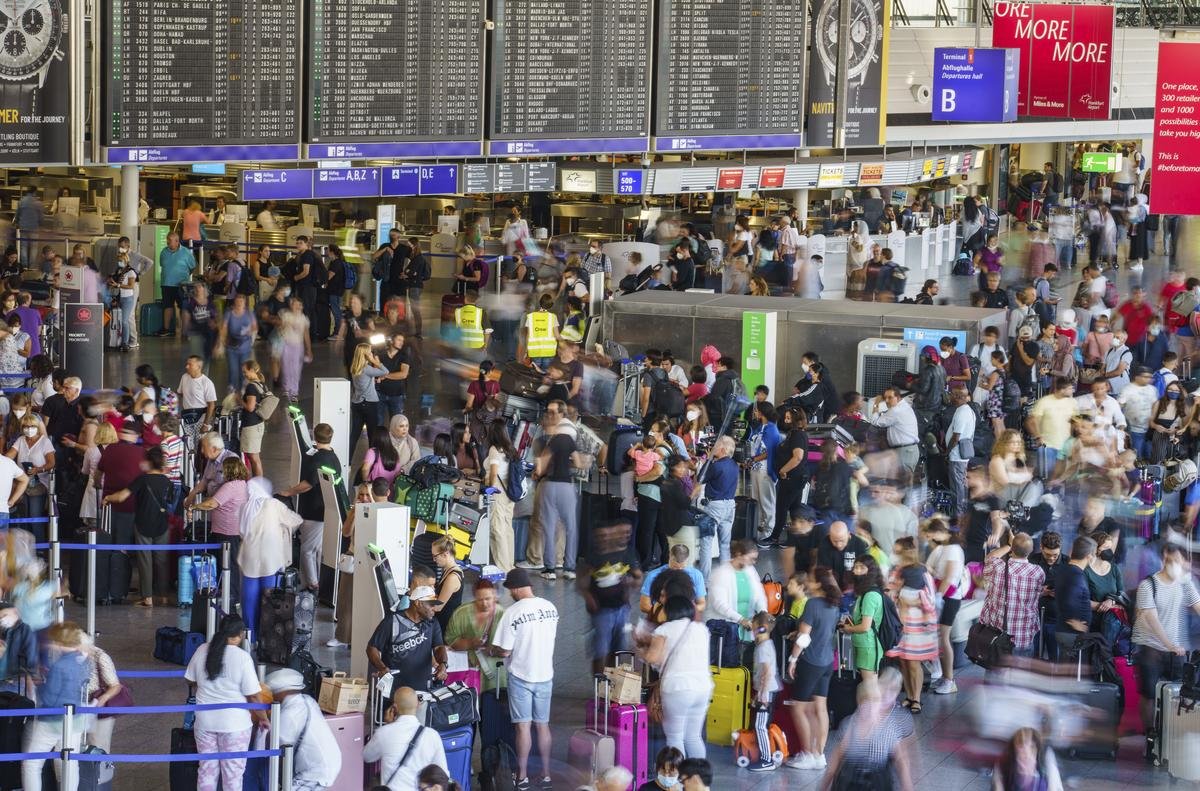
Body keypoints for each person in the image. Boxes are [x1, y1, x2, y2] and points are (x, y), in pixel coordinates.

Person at [491, 568, 560, 790]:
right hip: (545, 675)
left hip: (521, 676)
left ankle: (521, 776)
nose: (510, 593)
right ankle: (547, 774)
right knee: (543, 726)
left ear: (517, 588)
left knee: (523, 727)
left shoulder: (512, 613)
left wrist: (491, 649)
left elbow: (504, 651)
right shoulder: (551, 608)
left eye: (510, 589)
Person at [185, 615, 268, 791]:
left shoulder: (202, 650)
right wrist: (263, 718)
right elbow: (253, 696)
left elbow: (190, 680)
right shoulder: (243, 658)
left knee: (206, 771)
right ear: (240, 634)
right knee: (233, 777)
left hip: (204, 722)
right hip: (234, 726)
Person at [1132, 541, 1200, 732]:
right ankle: (1150, 735)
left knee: (1178, 693)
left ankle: (1170, 735)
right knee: (1149, 695)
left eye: (1181, 561)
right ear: (1164, 559)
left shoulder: (1184, 583)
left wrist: (1173, 647)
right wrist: (1169, 644)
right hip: (1150, 647)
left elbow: (1198, 605)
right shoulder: (1148, 585)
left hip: (1175, 650)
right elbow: (1151, 620)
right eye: (1175, 561)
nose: (1180, 565)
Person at [20, 622, 90, 791]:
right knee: (68, 763)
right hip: (76, 719)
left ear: (61, 643)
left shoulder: (60, 665)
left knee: (32, 763)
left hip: (52, 721)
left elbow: (50, 697)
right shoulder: (83, 661)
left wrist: (39, 685)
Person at [101, 446, 173, 607]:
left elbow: (121, 497)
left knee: (145, 561)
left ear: (148, 462)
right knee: (162, 562)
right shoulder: (168, 481)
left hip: (143, 524)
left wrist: (108, 498)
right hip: (163, 525)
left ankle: (147, 598)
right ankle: (163, 596)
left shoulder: (142, 479)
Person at [822, 668, 915, 791]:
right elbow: (836, 757)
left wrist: (907, 785)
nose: (871, 708)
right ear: (859, 703)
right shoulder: (849, 724)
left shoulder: (889, 728)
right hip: (849, 780)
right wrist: (825, 784)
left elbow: (901, 760)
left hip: (877, 780)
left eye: (875, 702)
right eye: (866, 703)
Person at [644, 595, 711, 759]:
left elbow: (653, 658)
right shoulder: (702, 629)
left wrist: (641, 648)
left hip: (677, 688)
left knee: (675, 737)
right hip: (703, 688)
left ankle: (677, 782)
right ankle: (699, 780)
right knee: (693, 737)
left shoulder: (664, 630)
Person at [278, 423, 340, 593]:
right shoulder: (333, 457)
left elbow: (307, 484)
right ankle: (313, 580)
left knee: (307, 549)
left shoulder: (318, 459)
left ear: (315, 436)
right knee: (317, 549)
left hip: (314, 510)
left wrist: (288, 492)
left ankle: (313, 583)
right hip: (325, 509)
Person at [238, 476, 301, 642]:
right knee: (270, 599)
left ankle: (249, 636)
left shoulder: (245, 506)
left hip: (249, 557)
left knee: (249, 598)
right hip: (270, 558)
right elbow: (296, 520)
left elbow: (241, 531)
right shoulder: (274, 505)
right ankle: (266, 636)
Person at [579, 519, 641, 674]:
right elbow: (581, 580)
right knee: (601, 649)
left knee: (618, 649)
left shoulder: (627, 553)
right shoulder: (593, 556)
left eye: (628, 532)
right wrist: (588, 596)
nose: (604, 539)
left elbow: (638, 577)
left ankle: (611, 684)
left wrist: (630, 582)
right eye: (600, 536)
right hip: (602, 611)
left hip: (622, 608)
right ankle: (599, 685)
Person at [262, 669, 341, 789]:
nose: (271, 697)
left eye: (272, 693)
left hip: (313, 774)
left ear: (282, 692)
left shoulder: (290, 714)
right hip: (328, 764)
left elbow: (273, 745)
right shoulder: (307, 700)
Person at [886, 540, 938, 715]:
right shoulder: (896, 571)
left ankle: (916, 698)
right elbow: (889, 590)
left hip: (917, 624)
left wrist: (911, 600)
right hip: (900, 622)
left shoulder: (922, 572)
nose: (895, 554)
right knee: (904, 661)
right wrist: (897, 595)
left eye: (898, 551)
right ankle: (909, 695)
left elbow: (931, 598)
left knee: (914, 662)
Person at [362, 685, 448, 791]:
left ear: (394, 707)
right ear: (418, 704)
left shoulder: (383, 733)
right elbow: (443, 773)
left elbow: (367, 756)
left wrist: (388, 726)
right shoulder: (432, 735)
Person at [366, 585, 448, 692]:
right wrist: (382, 667)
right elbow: (372, 648)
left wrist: (443, 663)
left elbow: (438, 647)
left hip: (422, 689)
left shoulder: (432, 623)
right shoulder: (392, 621)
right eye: (431, 605)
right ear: (418, 603)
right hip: (394, 689)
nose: (434, 609)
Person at [531, 401, 578, 580]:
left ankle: (549, 568)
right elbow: (579, 462)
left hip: (550, 484)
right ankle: (569, 567)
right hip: (567, 484)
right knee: (570, 527)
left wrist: (537, 471)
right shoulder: (569, 438)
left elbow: (541, 465)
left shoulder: (553, 438)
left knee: (548, 527)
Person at [978, 533, 1045, 658]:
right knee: (1021, 674)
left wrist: (1009, 545)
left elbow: (990, 557)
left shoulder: (998, 568)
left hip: (997, 634)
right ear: (1031, 551)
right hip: (1024, 634)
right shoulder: (1038, 572)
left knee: (994, 673)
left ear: (1012, 549)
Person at [444, 579, 507, 693]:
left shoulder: (503, 614)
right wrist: (470, 643)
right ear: (474, 597)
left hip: (495, 672)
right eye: (480, 599)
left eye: (488, 599)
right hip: (468, 670)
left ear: (495, 596)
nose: (484, 603)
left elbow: (508, 646)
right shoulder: (461, 613)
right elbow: (450, 640)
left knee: (493, 701)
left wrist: (494, 651)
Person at [707, 539, 767, 653]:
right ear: (739, 554)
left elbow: (760, 595)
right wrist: (741, 620)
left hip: (747, 629)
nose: (754, 562)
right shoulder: (721, 573)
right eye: (751, 558)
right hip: (726, 629)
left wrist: (763, 613)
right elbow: (719, 604)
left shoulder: (750, 570)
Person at [483, 421, 518, 571]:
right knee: (507, 528)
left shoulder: (494, 449)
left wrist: (490, 488)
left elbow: (494, 472)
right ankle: (510, 564)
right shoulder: (510, 449)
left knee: (497, 528)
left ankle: (503, 567)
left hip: (497, 489)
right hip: (509, 491)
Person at [1054, 535, 1096, 657]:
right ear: (1089, 556)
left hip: (1064, 630)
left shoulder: (1064, 570)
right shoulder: (1076, 575)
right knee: (1071, 673)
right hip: (1072, 634)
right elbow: (1069, 600)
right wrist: (1074, 621)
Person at [992, 727, 1063, 791]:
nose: (1026, 751)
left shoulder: (1044, 774)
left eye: (1031, 746)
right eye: (1021, 745)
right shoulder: (1004, 772)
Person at [214, 293, 257, 392]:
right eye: (237, 301)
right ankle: (232, 388)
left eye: (241, 301)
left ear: (244, 303)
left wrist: (249, 331)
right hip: (231, 345)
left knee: (244, 369)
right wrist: (220, 343)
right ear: (234, 302)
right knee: (233, 370)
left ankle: (243, 388)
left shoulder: (249, 313)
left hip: (245, 346)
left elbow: (254, 327)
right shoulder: (229, 313)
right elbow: (224, 328)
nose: (239, 304)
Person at [349, 343, 388, 447]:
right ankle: (372, 460)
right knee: (372, 435)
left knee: (355, 434)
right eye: (370, 352)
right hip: (369, 403)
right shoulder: (367, 369)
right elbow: (385, 371)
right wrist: (374, 361)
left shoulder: (354, 367)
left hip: (356, 403)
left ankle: (347, 461)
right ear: (366, 355)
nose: (372, 353)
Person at [159, 232, 196, 336]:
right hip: (167, 283)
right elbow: (162, 264)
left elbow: (193, 266)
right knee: (167, 306)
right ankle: (166, 329)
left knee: (184, 307)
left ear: (177, 241)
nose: (168, 243)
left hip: (182, 285)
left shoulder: (186, 252)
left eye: (170, 241)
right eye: (167, 240)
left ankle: (185, 331)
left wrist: (184, 275)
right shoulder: (164, 252)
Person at [278, 294, 312, 403]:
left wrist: (309, 349)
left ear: (301, 306)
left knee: (296, 369)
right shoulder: (286, 315)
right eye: (294, 304)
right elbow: (280, 329)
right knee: (286, 367)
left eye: (299, 305)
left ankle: (294, 391)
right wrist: (285, 325)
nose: (297, 307)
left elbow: (306, 335)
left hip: (298, 346)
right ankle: (287, 388)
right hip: (286, 344)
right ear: (291, 305)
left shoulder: (303, 319)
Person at [239, 360, 269, 478]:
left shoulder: (251, 386)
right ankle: (258, 484)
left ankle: (257, 484)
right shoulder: (262, 384)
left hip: (251, 425)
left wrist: (239, 399)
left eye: (245, 372)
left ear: (252, 370)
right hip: (258, 424)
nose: (244, 374)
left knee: (253, 458)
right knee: (254, 457)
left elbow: (250, 407)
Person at [377, 330, 412, 420]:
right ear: (392, 341)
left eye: (402, 341)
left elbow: (403, 374)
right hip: (381, 393)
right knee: (378, 422)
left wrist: (385, 375)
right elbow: (376, 370)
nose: (401, 343)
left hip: (397, 395)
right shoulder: (381, 354)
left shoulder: (404, 356)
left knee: (396, 423)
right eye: (399, 340)